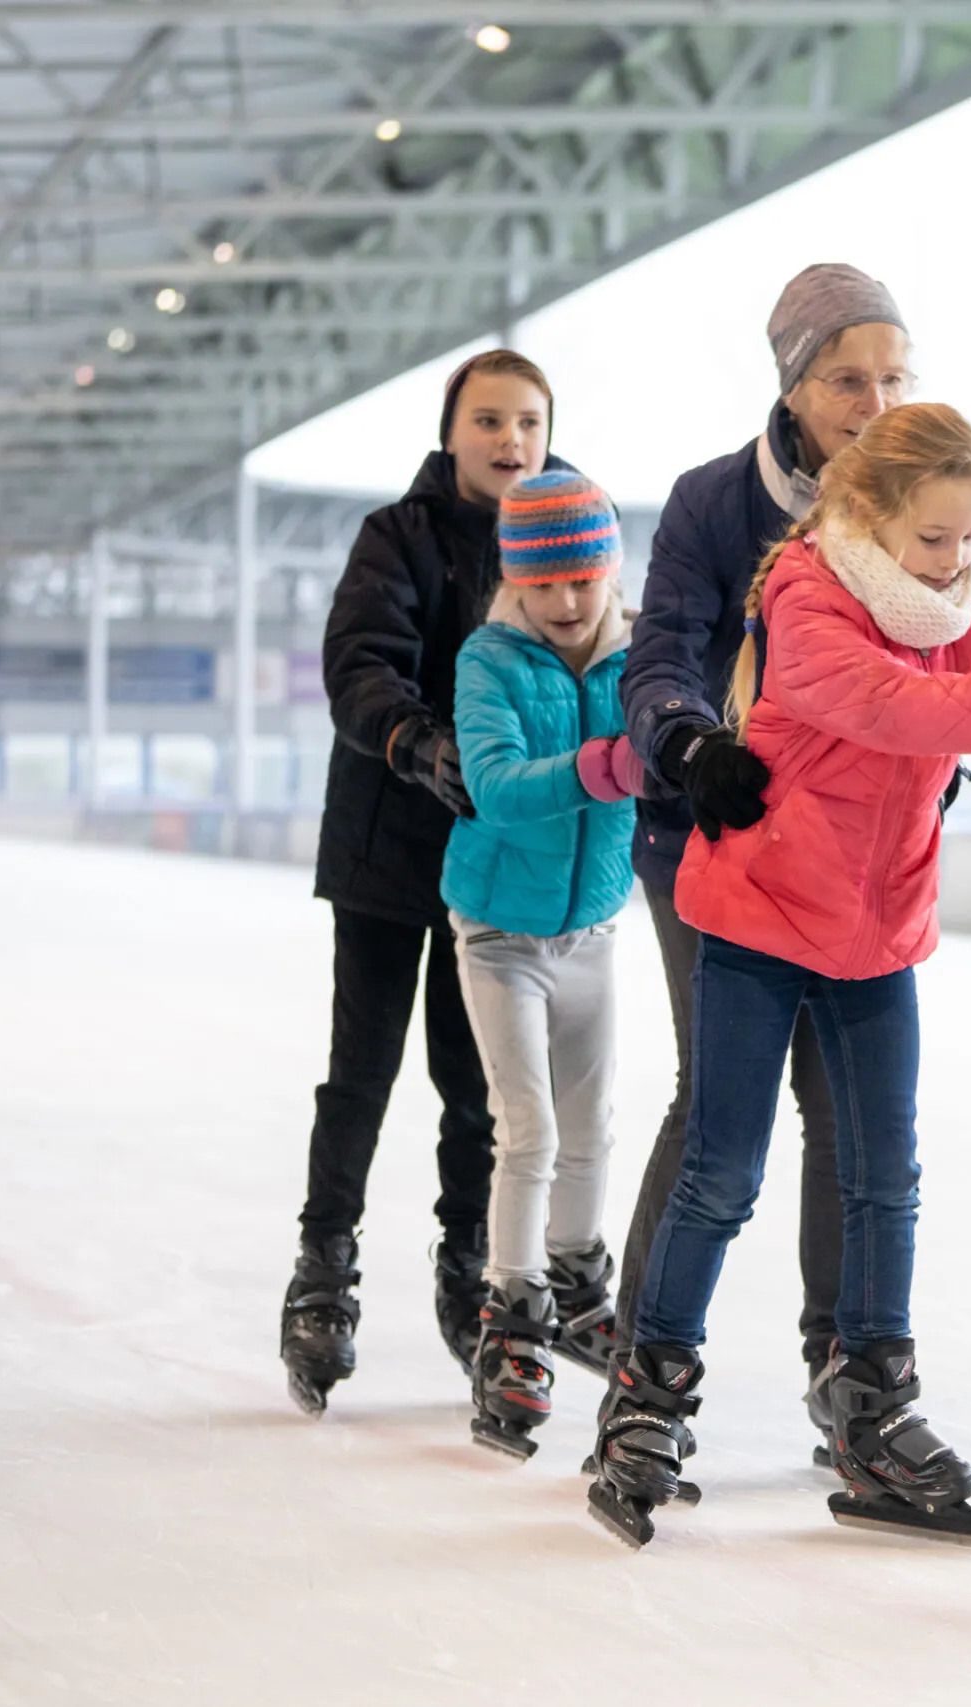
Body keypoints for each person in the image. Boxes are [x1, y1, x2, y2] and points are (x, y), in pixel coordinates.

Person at [586, 403, 971, 1551]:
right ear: (870, 516)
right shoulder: (811, 599)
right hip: (763, 921)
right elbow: (897, 707)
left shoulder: (946, 602)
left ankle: (869, 1393)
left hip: (876, 933)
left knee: (886, 1172)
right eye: (937, 538)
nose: (959, 559)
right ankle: (649, 1390)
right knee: (721, 1169)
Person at [614, 265, 913, 1455]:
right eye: (848, 378)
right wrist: (687, 744)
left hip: (848, 858)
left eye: (895, 377)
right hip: (716, 834)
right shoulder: (713, 502)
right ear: (794, 385)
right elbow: (661, 654)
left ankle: (847, 1377)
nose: (875, 402)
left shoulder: (908, 498)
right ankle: (645, 1366)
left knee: (846, 1112)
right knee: (720, 1108)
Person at [279, 349, 570, 1417]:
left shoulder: (560, 542)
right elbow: (358, 660)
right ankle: (325, 1264)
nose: (510, 441)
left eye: (528, 422)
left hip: (489, 859)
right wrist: (411, 738)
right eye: (489, 419)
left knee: (476, 1085)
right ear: (452, 431)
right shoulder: (395, 538)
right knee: (361, 1068)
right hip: (384, 843)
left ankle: (468, 1271)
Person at [441, 470, 640, 1459]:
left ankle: (573, 1281)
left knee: (594, 1124)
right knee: (528, 1129)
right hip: (499, 934)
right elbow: (495, 786)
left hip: (594, 927)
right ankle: (510, 1317)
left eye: (584, 581)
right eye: (547, 584)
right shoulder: (490, 659)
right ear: (517, 580)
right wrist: (607, 766)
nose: (567, 603)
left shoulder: (637, 655)